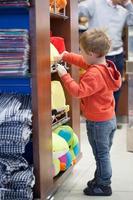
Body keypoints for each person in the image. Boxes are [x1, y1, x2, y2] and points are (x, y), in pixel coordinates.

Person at [54, 29, 121, 196]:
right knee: (102, 153)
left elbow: (78, 92)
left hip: (98, 123)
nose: (80, 54)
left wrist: (64, 75)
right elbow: (83, 62)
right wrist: (65, 56)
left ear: (91, 53)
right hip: (109, 119)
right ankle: (99, 179)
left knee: (101, 155)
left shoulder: (93, 75)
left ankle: (104, 185)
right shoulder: (103, 67)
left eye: (81, 51)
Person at [78, 0, 133, 119]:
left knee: (115, 89)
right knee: (95, 89)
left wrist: (128, 4)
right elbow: (75, 11)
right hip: (96, 56)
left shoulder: (124, 10)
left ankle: (110, 118)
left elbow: (132, 22)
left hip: (116, 55)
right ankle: (95, 118)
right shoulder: (95, 4)